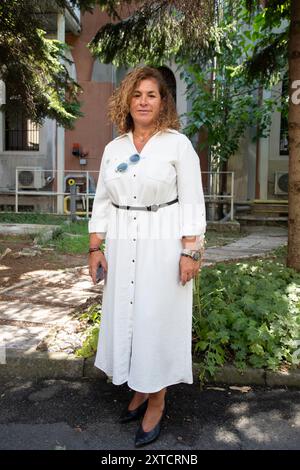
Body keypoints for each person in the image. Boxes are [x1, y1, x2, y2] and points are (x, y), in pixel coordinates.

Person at [88, 66, 206, 447]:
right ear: (127, 100)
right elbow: (102, 202)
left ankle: (157, 398)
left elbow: (192, 201)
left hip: (163, 242)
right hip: (123, 242)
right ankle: (138, 387)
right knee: (128, 314)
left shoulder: (177, 145)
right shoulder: (115, 148)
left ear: (163, 102)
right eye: (137, 94)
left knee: (156, 319)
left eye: (151, 94)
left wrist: (191, 251)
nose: (143, 100)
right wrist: (95, 247)